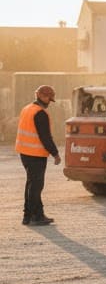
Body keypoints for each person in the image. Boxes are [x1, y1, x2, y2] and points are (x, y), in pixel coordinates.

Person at [15, 84, 62, 226]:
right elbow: (45, 137)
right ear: (42, 96)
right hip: (35, 154)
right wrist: (55, 154)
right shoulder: (40, 113)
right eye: (49, 98)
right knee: (36, 186)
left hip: (25, 153)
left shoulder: (27, 108)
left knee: (31, 184)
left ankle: (34, 215)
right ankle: (32, 216)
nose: (49, 102)